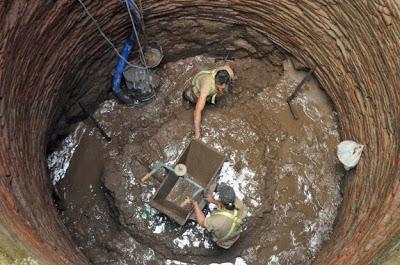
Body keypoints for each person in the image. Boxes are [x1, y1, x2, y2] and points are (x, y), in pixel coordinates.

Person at [183, 65, 237, 139]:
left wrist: (234, 80)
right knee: (189, 97)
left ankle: (211, 97)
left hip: (209, 94)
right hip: (195, 93)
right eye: (219, 88)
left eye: (223, 88)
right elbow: (197, 111)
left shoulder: (228, 72)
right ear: (215, 81)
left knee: (217, 95)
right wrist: (197, 133)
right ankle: (187, 101)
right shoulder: (206, 87)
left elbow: (228, 65)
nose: (221, 90)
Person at [190, 183, 247, 249]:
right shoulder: (239, 203)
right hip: (235, 233)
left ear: (221, 199)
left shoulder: (217, 221)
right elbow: (226, 206)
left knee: (209, 231)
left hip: (224, 243)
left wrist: (195, 204)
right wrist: (213, 201)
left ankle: (218, 244)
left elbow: (202, 222)